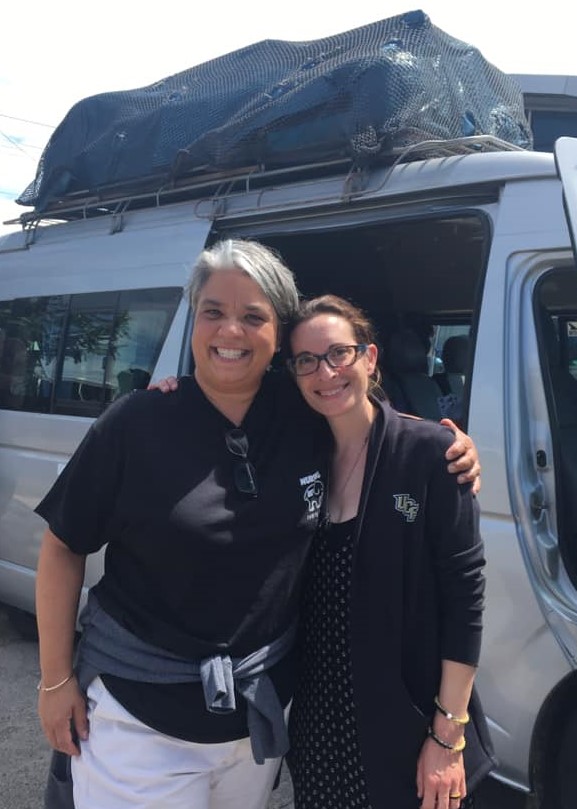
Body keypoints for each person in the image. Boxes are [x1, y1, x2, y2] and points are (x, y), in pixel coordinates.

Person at [34, 239, 480, 809]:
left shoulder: (299, 413)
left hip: (255, 725)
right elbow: (62, 546)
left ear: (277, 338)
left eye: (253, 316)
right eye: (214, 312)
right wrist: (55, 680)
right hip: (138, 718)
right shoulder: (137, 422)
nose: (231, 332)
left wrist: (448, 446)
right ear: (193, 319)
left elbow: (366, 414)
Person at [283, 294, 494, 809]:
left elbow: (465, 599)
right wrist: (169, 392)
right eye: (307, 360)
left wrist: (448, 737)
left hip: (408, 722)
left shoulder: (429, 453)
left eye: (339, 353)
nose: (326, 372)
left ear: (370, 358)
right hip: (318, 722)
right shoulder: (295, 454)